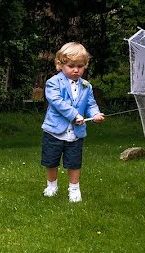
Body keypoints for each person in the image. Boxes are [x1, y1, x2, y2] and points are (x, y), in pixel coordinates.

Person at [41, 42, 104, 202]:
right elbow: (57, 102)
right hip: (54, 131)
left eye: (80, 66)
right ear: (60, 64)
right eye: (71, 66)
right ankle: (51, 186)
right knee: (51, 160)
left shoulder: (86, 86)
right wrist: (75, 115)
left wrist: (95, 114)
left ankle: (74, 189)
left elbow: (90, 104)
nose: (76, 70)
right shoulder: (53, 82)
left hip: (76, 133)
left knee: (74, 162)